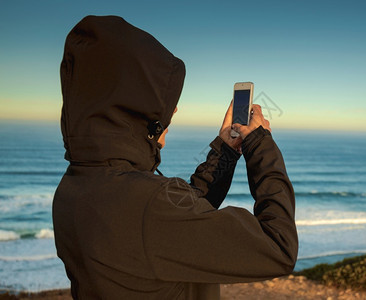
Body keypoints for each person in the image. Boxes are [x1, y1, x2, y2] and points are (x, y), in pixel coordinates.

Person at [53, 15, 298, 299]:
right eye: (163, 104)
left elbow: (180, 215)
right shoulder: (149, 207)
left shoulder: (74, 188)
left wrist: (226, 151)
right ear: (133, 109)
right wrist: (260, 145)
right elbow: (278, 248)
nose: (174, 112)